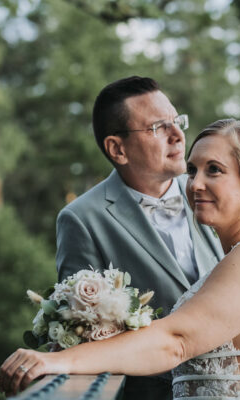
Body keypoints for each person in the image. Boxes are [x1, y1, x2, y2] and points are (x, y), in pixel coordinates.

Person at [0, 119, 240, 399]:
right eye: (192, 170)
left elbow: (175, 341)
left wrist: (60, 362)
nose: (195, 184)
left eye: (215, 170)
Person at [54, 76, 224, 399]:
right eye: (159, 128)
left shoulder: (217, 189)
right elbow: (83, 332)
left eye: (177, 122)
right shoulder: (81, 220)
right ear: (117, 149)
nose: (178, 136)